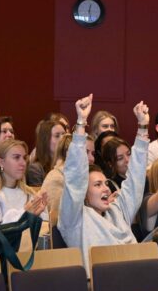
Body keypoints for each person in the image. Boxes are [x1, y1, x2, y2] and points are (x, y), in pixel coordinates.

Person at [58, 95, 150, 273]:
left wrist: (143, 127)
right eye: (97, 185)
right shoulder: (75, 219)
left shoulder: (118, 210)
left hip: (137, 276)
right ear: (83, 193)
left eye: (105, 183)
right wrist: (81, 122)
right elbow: (74, 178)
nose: (106, 188)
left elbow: (135, 180)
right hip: (104, 288)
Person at [0, 139, 47, 225]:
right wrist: (25, 214)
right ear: (1, 162)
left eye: (24, 158)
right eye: (16, 157)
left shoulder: (29, 193)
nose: (23, 163)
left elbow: (45, 229)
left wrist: (40, 215)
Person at [40, 134, 95, 225]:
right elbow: (58, 222)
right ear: (69, 153)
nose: (92, 158)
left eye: (93, 154)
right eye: (85, 152)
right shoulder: (56, 179)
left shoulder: (85, 178)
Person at [27, 120, 66, 186]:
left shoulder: (68, 164)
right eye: (57, 136)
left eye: (64, 135)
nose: (62, 139)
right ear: (45, 140)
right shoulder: (36, 169)